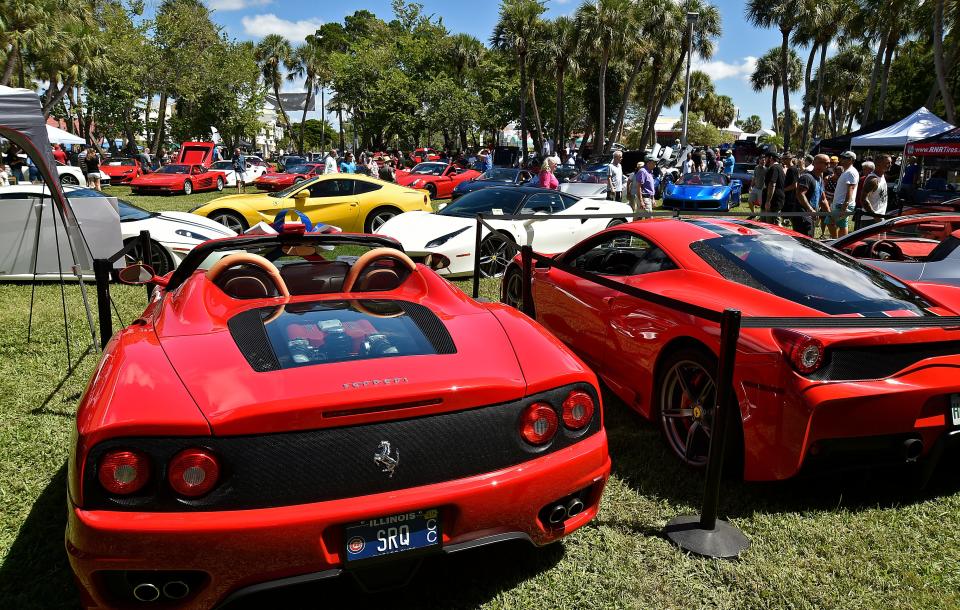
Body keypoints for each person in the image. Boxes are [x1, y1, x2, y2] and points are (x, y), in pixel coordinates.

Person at [794, 154, 829, 237]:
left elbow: (823, 199)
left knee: (810, 239)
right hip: (802, 215)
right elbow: (800, 194)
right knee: (804, 241)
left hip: (811, 215)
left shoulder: (820, 179)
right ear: (815, 163)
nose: (828, 166)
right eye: (826, 163)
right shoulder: (807, 177)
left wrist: (829, 215)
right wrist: (810, 209)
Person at [828, 150, 859, 238]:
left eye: (846, 158)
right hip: (839, 203)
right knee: (832, 222)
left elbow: (851, 188)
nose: (842, 160)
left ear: (852, 160)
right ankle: (836, 240)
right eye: (843, 158)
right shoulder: (846, 171)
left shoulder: (851, 172)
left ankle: (838, 242)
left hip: (842, 204)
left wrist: (845, 205)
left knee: (837, 224)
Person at [860, 154, 891, 224]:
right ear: (878, 164)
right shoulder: (872, 180)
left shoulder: (882, 176)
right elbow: (863, 199)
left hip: (880, 218)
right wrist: (875, 216)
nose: (890, 165)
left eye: (890, 163)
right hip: (870, 219)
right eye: (887, 163)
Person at [762, 148, 785, 225]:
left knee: (772, 225)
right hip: (776, 200)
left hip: (773, 201)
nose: (764, 160)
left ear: (770, 158)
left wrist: (768, 201)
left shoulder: (774, 168)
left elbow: (772, 184)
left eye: (766, 158)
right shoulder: (779, 167)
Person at [781, 153, 799, 227]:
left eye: (785, 158)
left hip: (790, 196)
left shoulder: (792, 169)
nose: (783, 160)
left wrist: (783, 190)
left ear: (790, 159)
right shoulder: (789, 169)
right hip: (788, 195)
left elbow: (795, 185)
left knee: (789, 214)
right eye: (782, 158)